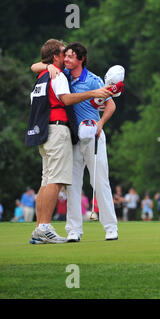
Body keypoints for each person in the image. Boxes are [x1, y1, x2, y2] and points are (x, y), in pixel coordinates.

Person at [31, 41, 118, 242]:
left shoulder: (94, 80)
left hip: (93, 135)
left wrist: (101, 124)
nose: (67, 59)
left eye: (71, 56)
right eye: (65, 55)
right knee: (72, 185)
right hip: (72, 137)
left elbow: (111, 105)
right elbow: (35, 66)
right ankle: (74, 230)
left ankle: (110, 227)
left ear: (81, 59)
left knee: (99, 181)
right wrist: (49, 65)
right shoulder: (63, 75)